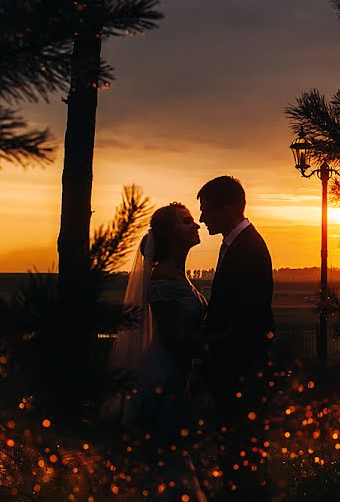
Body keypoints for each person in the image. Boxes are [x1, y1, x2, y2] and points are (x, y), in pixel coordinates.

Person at [108, 203, 208, 501]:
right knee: (167, 458)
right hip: (167, 375)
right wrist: (216, 343)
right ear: (170, 233)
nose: (196, 225)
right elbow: (174, 337)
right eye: (187, 221)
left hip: (178, 372)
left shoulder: (178, 275)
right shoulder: (163, 279)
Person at [196, 176, 274, 498]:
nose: (202, 219)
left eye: (206, 211)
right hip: (236, 370)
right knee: (235, 451)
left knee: (240, 451)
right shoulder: (237, 245)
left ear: (227, 207)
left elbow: (247, 317)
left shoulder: (248, 249)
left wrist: (210, 348)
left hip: (240, 370)